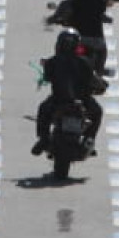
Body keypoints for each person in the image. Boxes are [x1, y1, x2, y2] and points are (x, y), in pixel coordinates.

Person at [32, 27, 104, 156]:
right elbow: (93, 80)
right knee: (97, 112)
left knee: (43, 110)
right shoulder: (85, 62)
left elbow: (47, 77)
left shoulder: (53, 62)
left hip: (59, 100)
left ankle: (43, 139)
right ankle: (89, 139)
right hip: (82, 101)